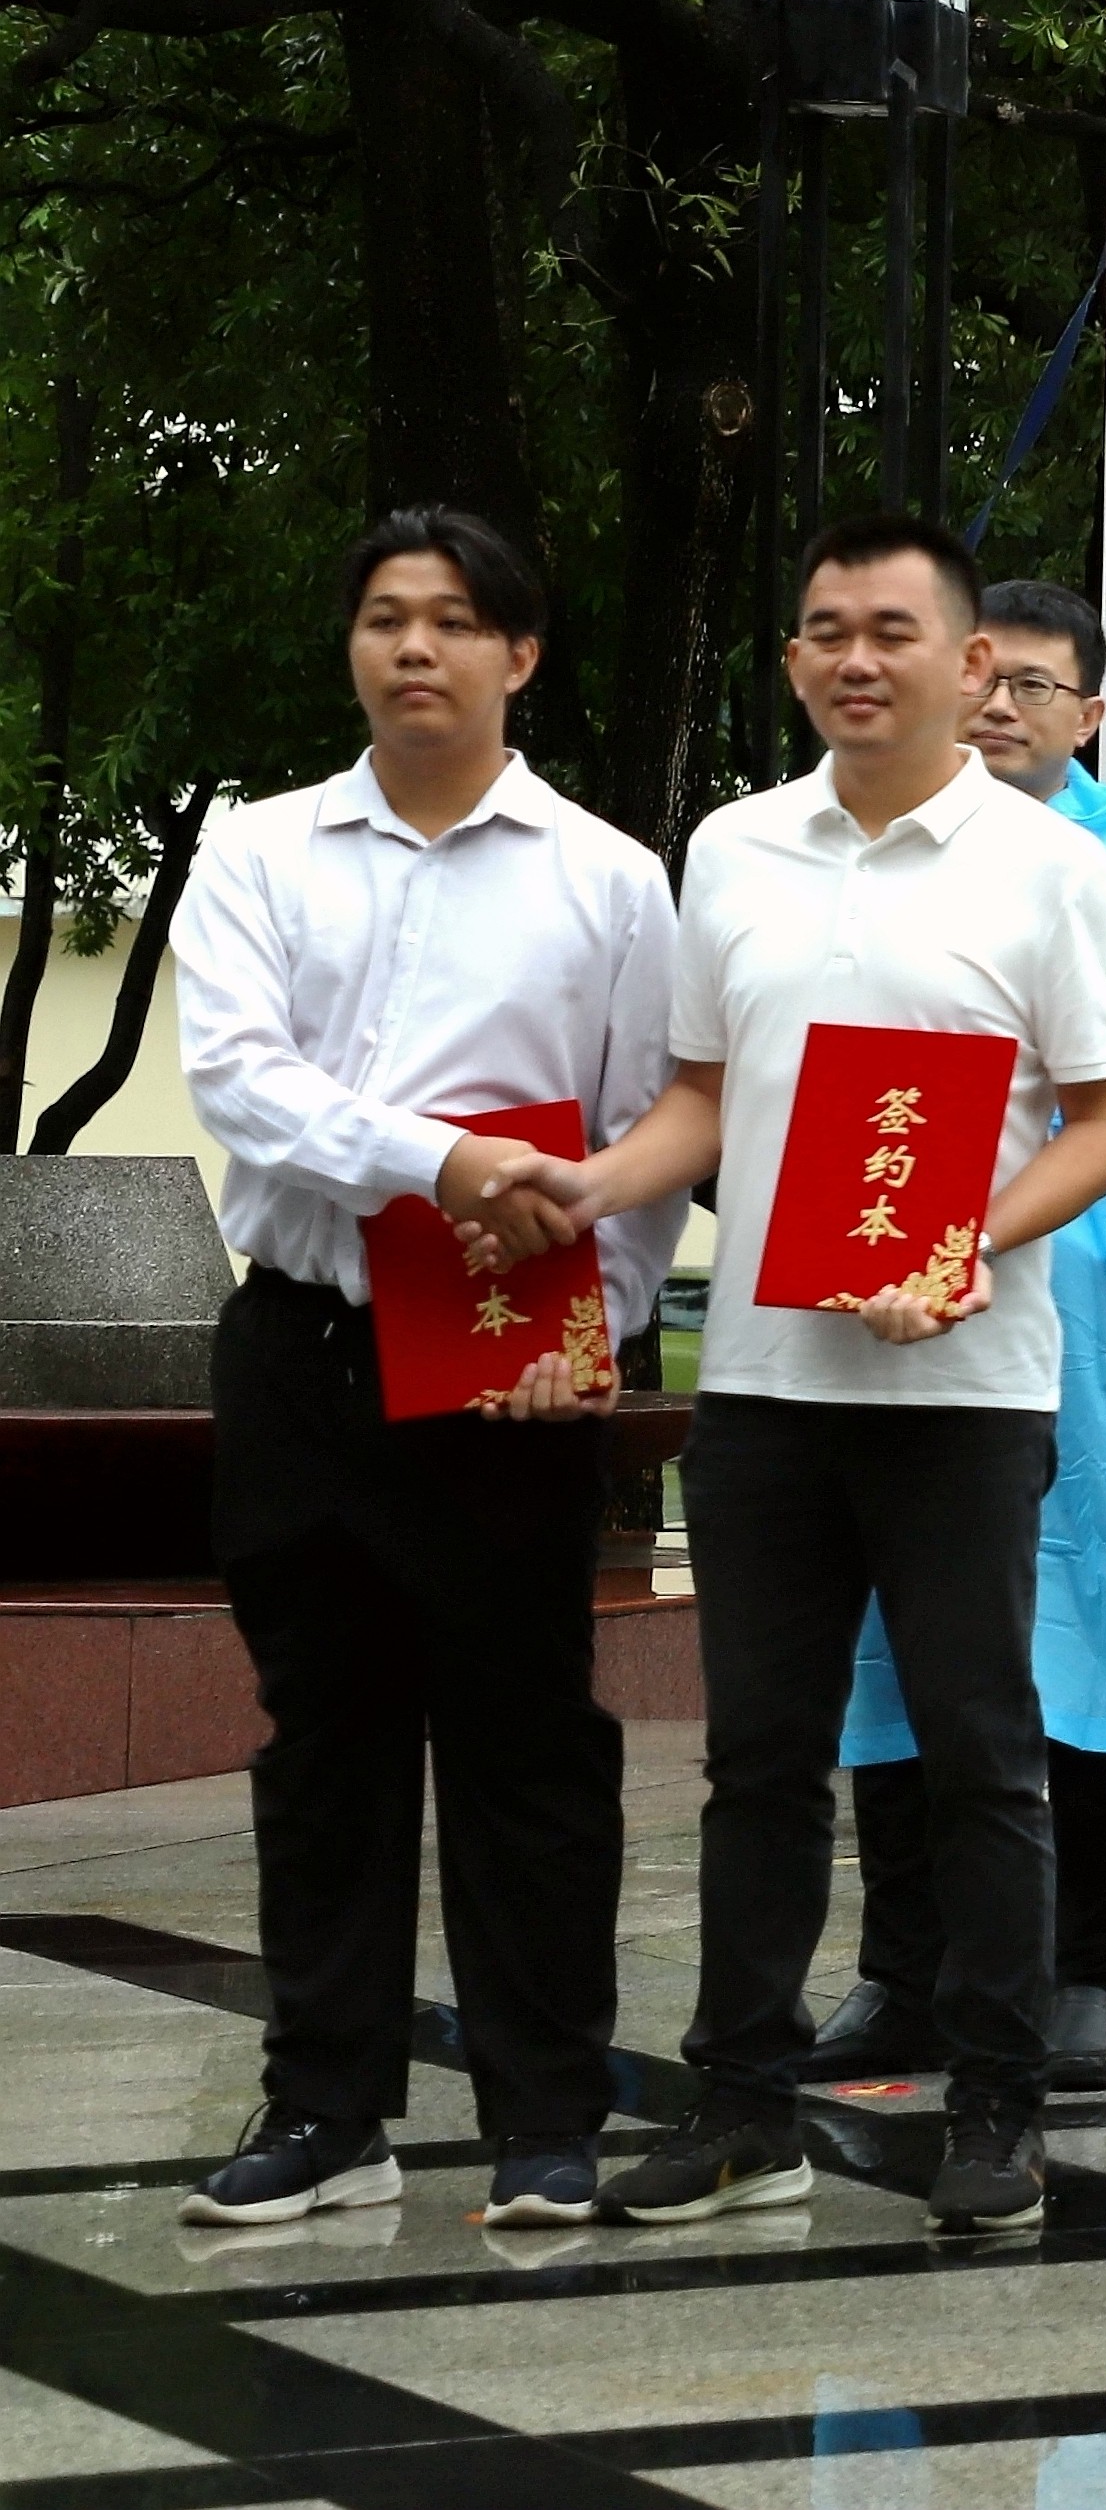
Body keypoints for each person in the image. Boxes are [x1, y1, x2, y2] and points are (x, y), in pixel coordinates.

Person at [546, 513, 1106, 2233]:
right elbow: (699, 1094)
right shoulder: (735, 847)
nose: (856, 658)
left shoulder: (1050, 867)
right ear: (796, 660)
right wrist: (594, 1185)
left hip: (966, 1391)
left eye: (892, 628)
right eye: (826, 630)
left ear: (972, 663)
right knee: (759, 1756)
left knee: (982, 1750)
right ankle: (740, 2100)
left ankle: (997, 2106)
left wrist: (968, 1239)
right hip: (763, 1383)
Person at [164, 509, 678, 2231]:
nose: (414, 647)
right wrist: (441, 1160)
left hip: (508, 1364)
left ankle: (548, 2112)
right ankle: (327, 2105)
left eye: (455, 620)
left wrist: (591, 1331)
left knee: (528, 1743)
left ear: (518, 654)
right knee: (324, 1736)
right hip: (303, 1341)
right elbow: (241, 1082)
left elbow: (640, 1132)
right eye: (385, 616)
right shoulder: (261, 852)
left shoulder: (607, 877)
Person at [800, 579, 1106, 2102]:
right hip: (896, 1286)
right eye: (986, 678)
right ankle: (903, 1969)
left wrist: (1004, 1057)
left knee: (1101, 1622)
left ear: (1091, 713)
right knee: (896, 1625)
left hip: (1092, 1303)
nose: (1002, 708)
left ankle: (1083, 1978)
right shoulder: (881, 856)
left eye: (1038, 687)